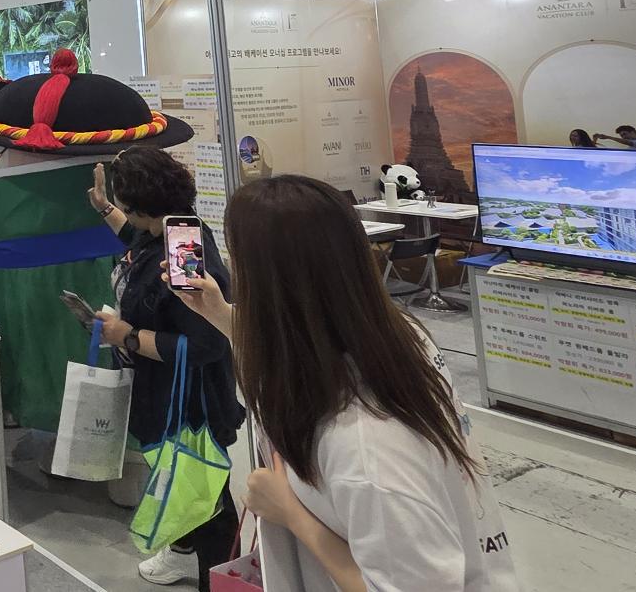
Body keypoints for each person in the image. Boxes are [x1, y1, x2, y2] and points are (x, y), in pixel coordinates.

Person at [172, 176, 519, 592]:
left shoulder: (365, 451)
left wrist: (291, 513)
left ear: (268, 284)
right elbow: (302, 344)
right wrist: (219, 313)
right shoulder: (396, 337)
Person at [88, 151, 242, 590]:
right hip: (165, 391)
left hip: (191, 403)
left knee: (205, 499)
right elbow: (137, 237)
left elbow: (206, 344)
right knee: (182, 484)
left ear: (142, 207)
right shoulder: (169, 229)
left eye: (126, 206)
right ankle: (182, 551)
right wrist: (103, 206)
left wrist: (127, 336)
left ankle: (222, 579)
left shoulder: (184, 251)